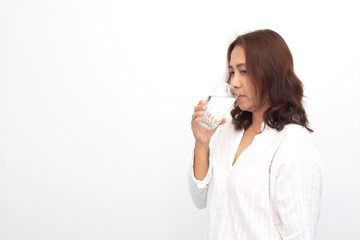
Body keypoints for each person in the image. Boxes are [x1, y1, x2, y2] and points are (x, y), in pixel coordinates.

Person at [189, 29, 323, 240]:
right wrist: (202, 143)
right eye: (232, 71)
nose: (234, 82)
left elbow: (300, 234)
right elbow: (200, 198)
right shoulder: (226, 131)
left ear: (271, 74)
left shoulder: (294, 143)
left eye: (244, 71)